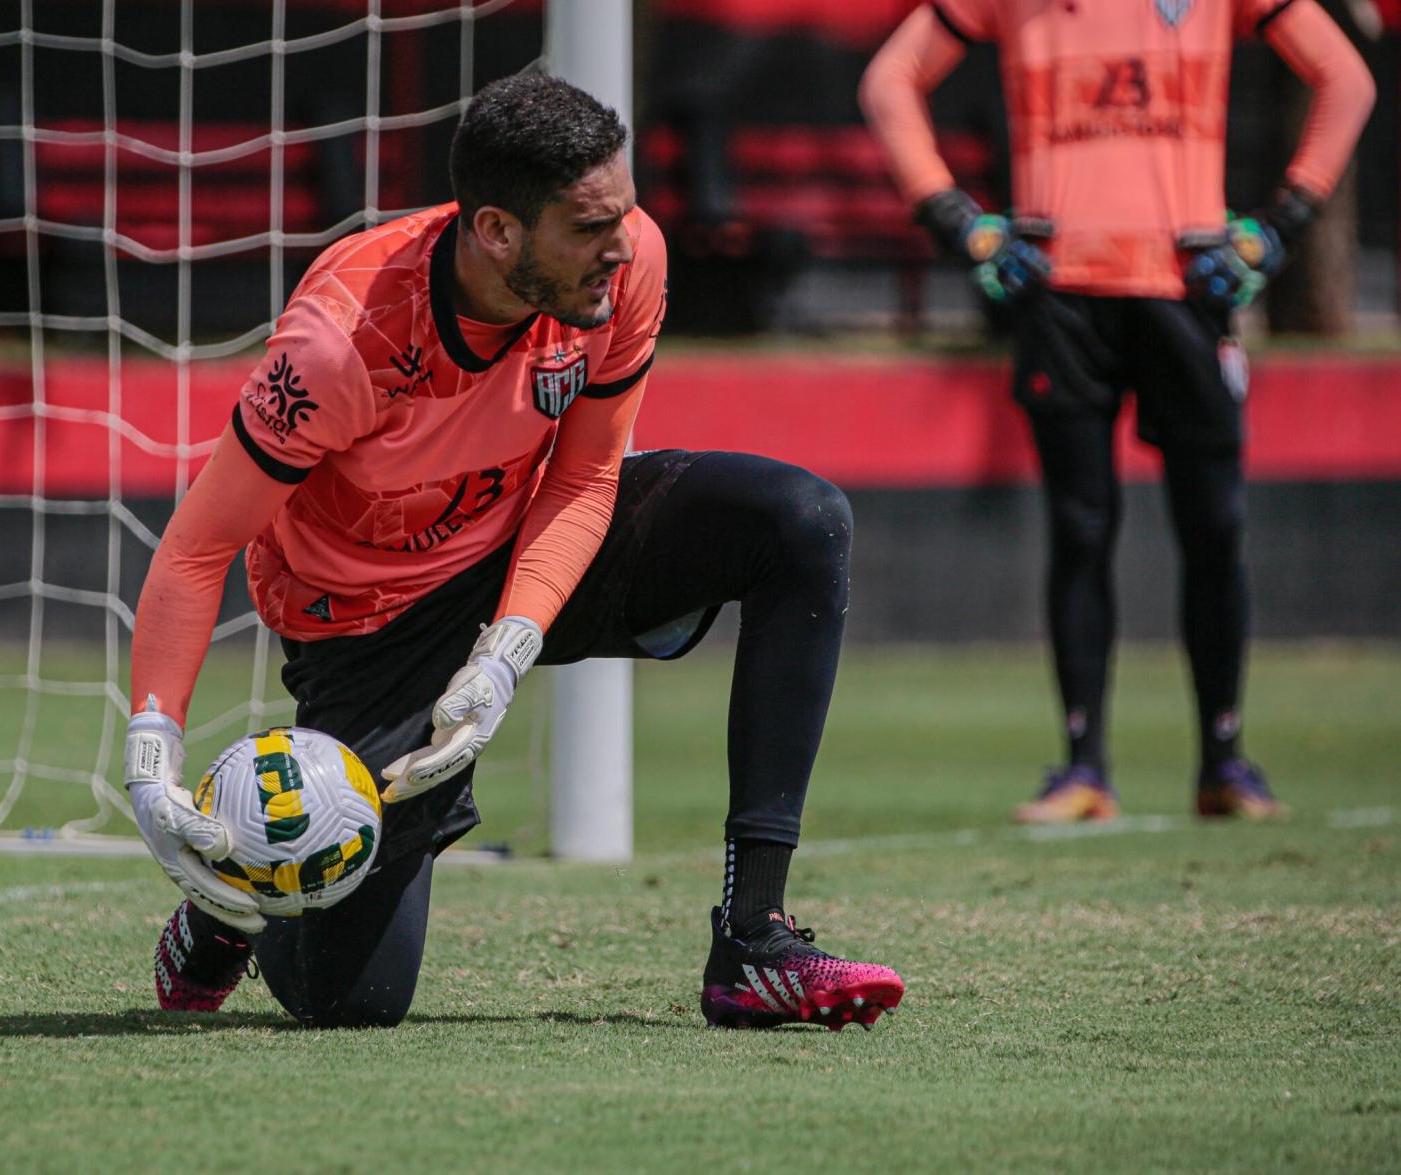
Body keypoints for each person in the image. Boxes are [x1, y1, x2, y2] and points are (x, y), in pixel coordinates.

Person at [120, 74, 904, 1030]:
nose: (621, 246)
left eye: (623, 212)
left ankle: (753, 943)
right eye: (587, 227)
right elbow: (200, 546)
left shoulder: (628, 261)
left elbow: (582, 481)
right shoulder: (339, 343)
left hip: (534, 536)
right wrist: (151, 753)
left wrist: (509, 647)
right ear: (496, 231)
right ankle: (231, 893)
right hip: (374, 623)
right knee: (351, 998)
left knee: (799, 520)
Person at [860, 0, 1374, 823]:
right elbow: (889, 80)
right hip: (1060, 292)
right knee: (1082, 530)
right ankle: (1084, 768)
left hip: (1187, 285)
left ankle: (1224, 763)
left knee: (1214, 528)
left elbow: (1347, 78)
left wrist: (1283, 225)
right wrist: (958, 223)